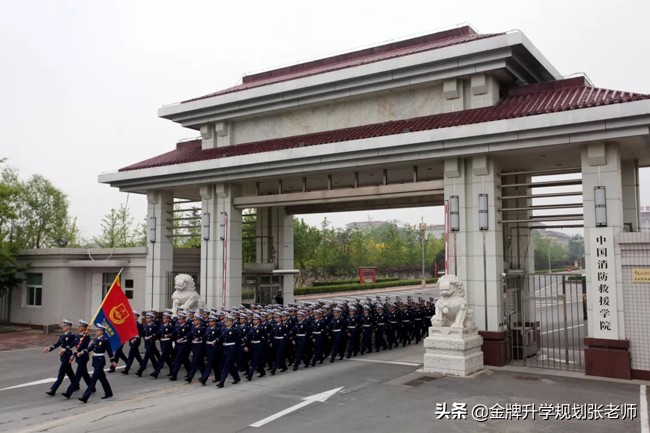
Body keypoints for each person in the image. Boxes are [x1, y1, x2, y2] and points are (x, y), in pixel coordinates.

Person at [78, 323, 114, 403]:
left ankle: (85, 397)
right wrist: (83, 352)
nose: (96, 332)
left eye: (98, 330)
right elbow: (90, 348)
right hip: (96, 360)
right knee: (102, 378)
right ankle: (109, 392)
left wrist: (112, 361)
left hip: (100, 360)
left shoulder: (105, 340)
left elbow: (109, 351)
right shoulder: (96, 340)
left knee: (93, 379)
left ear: (102, 331)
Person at [43, 319, 76, 396]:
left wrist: (66, 349)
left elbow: (73, 344)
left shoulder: (71, 335)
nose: (63, 327)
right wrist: (49, 348)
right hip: (63, 356)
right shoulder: (62, 336)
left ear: (68, 327)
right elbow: (57, 344)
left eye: (64, 326)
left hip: (67, 356)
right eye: (63, 325)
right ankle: (76, 384)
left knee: (61, 373)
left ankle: (53, 390)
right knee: (69, 372)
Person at [62, 320, 93, 399]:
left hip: (83, 357)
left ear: (84, 327)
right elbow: (74, 344)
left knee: (78, 376)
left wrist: (73, 354)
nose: (78, 328)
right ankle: (92, 387)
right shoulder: (79, 336)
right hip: (79, 357)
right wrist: (66, 349)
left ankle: (68, 393)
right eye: (79, 326)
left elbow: (81, 347)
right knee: (84, 373)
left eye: (80, 326)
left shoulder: (86, 337)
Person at [216, 315, 240, 388]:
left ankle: (222, 382)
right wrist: (216, 340)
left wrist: (236, 351)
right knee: (230, 365)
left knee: (226, 366)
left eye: (227, 321)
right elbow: (221, 337)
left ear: (232, 322)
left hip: (231, 349)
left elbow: (238, 341)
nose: (226, 323)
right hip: (225, 348)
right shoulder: (223, 329)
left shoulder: (235, 330)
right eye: (225, 321)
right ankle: (236, 377)